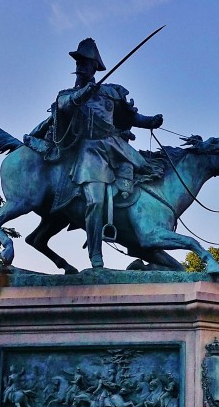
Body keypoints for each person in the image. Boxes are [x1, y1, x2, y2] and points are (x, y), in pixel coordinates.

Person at [41, 38, 164, 268]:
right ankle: (96, 253)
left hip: (117, 147)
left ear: (95, 66)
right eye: (78, 62)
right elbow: (66, 106)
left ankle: (139, 227)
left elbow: (130, 118)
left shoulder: (112, 93)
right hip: (90, 152)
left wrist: (150, 122)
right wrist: (85, 93)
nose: (80, 66)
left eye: (85, 62)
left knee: (147, 180)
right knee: (95, 200)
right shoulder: (66, 94)